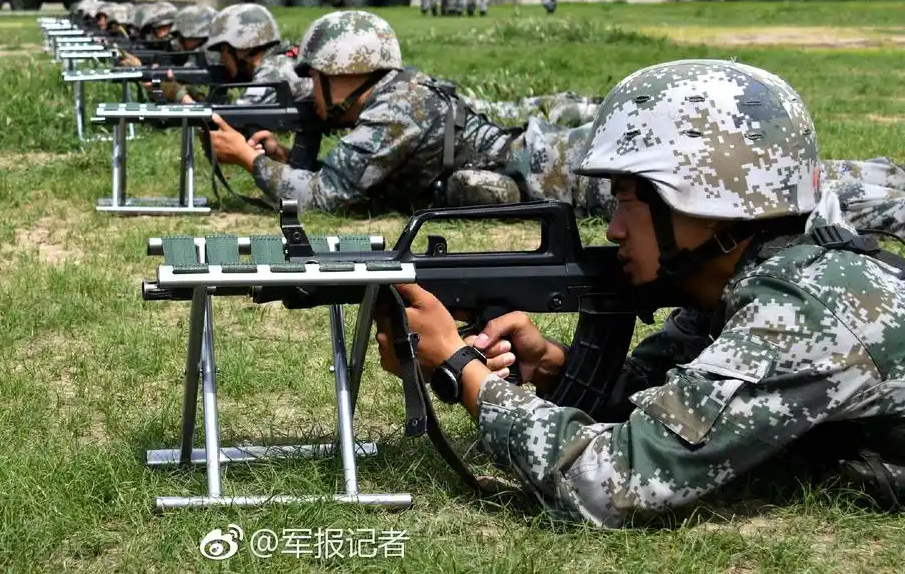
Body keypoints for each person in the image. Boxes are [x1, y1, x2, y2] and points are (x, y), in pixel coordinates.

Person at [375, 59, 905, 527]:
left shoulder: (799, 309)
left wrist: (457, 363)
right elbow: (655, 407)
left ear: (702, 200)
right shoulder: (741, 280)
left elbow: (612, 482)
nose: (613, 231)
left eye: (629, 202)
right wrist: (548, 367)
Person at [206, 10, 601, 215]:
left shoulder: (397, 110)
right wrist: (282, 161)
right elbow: (353, 179)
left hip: (573, 171)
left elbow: (324, 198)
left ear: (343, 75)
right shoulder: (397, 98)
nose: (310, 88)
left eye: (314, 76)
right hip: (559, 164)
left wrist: (247, 159)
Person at [162, 3, 311, 106]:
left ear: (238, 48)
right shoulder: (279, 62)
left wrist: (179, 96)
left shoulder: (273, 72)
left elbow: (229, 123)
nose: (221, 59)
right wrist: (193, 94)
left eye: (222, 51)